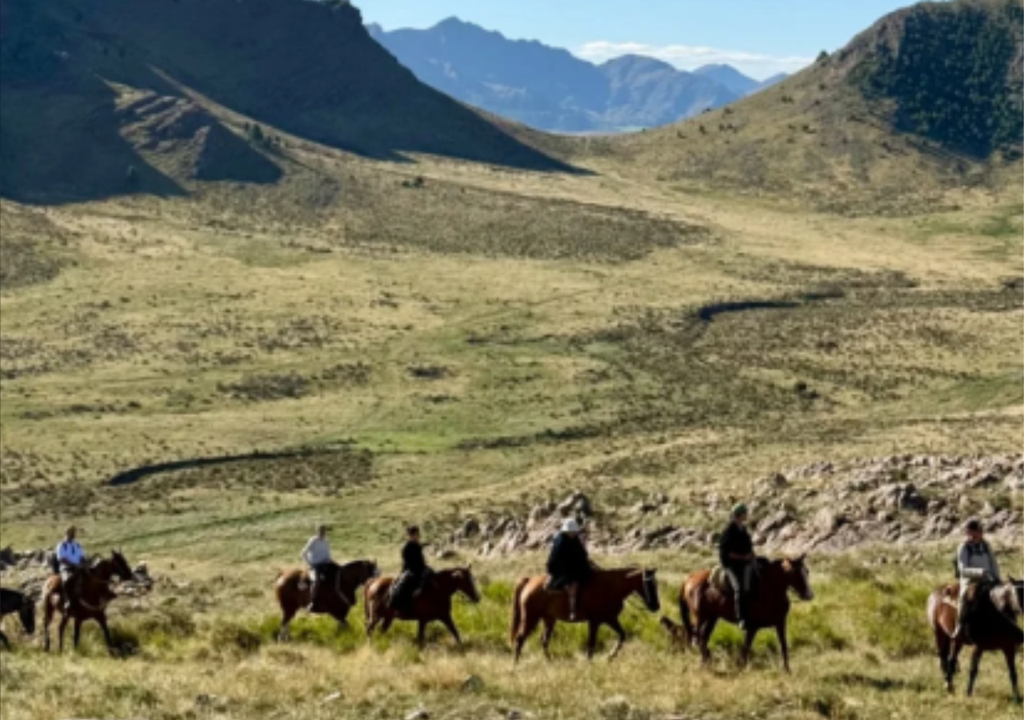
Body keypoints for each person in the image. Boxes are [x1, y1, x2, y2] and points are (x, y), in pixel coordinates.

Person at [952, 518, 1001, 640]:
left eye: (979, 531)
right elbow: (963, 569)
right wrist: (980, 573)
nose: (979, 533)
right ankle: (959, 626)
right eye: (974, 531)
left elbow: (993, 563)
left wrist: (997, 578)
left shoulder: (986, 545)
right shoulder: (964, 547)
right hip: (970, 581)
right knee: (964, 598)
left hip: (989, 579)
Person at [719, 503, 756, 630]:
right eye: (745, 513)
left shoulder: (743, 529)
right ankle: (741, 618)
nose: (746, 515)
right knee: (739, 587)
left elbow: (749, 545)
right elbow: (725, 553)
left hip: (745, 562)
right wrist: (742, 558)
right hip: (731, 565)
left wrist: (752, 555)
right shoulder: (728, 531)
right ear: (739, 515)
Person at [546, 518, 592, 621]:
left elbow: (582, 553)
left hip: (576, 567)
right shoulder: (560, 541)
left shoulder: (575, 539)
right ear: (566, 531)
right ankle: (572, 611)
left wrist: (584, 560)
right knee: (573, 586)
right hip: (562, 568)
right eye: (571, 532)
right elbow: (555, 558)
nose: (573, 533)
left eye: (574, 531)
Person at [390, 526, 431, 611]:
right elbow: (407, 562)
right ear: (410, 535)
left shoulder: (417, 546)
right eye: (416, 534)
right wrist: (418, 568)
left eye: (418, 534)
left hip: (421, 568)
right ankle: (398, 605)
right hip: (410, 569)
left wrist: (424, 567)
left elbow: (421, 560)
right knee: (406, 583)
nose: (418, 536)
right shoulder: (406, 547)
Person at [301, 524, 334, 612]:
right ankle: (312, 602)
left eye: (324, 531)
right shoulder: (313, 541)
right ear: (317, 532)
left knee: (337, 575)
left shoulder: (326, 540)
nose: (323, 533)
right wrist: (310, 564)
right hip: (315, 565)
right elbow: (303, 553)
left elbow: (327, 553)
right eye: (321, 531)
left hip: (325, 564)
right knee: (316, 581)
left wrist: (331, 561)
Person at [55, 526, 87, 612]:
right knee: (67, 581)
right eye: (71, 533)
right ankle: (67, 600)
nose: (72, 535)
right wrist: (73, 565)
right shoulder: (62, 545)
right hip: (67, 568)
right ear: (66, 534)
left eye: (73, 533)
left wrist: (82, 563)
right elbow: (61, 559)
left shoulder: (77, 545)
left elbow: (82, 556)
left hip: (79, 567)